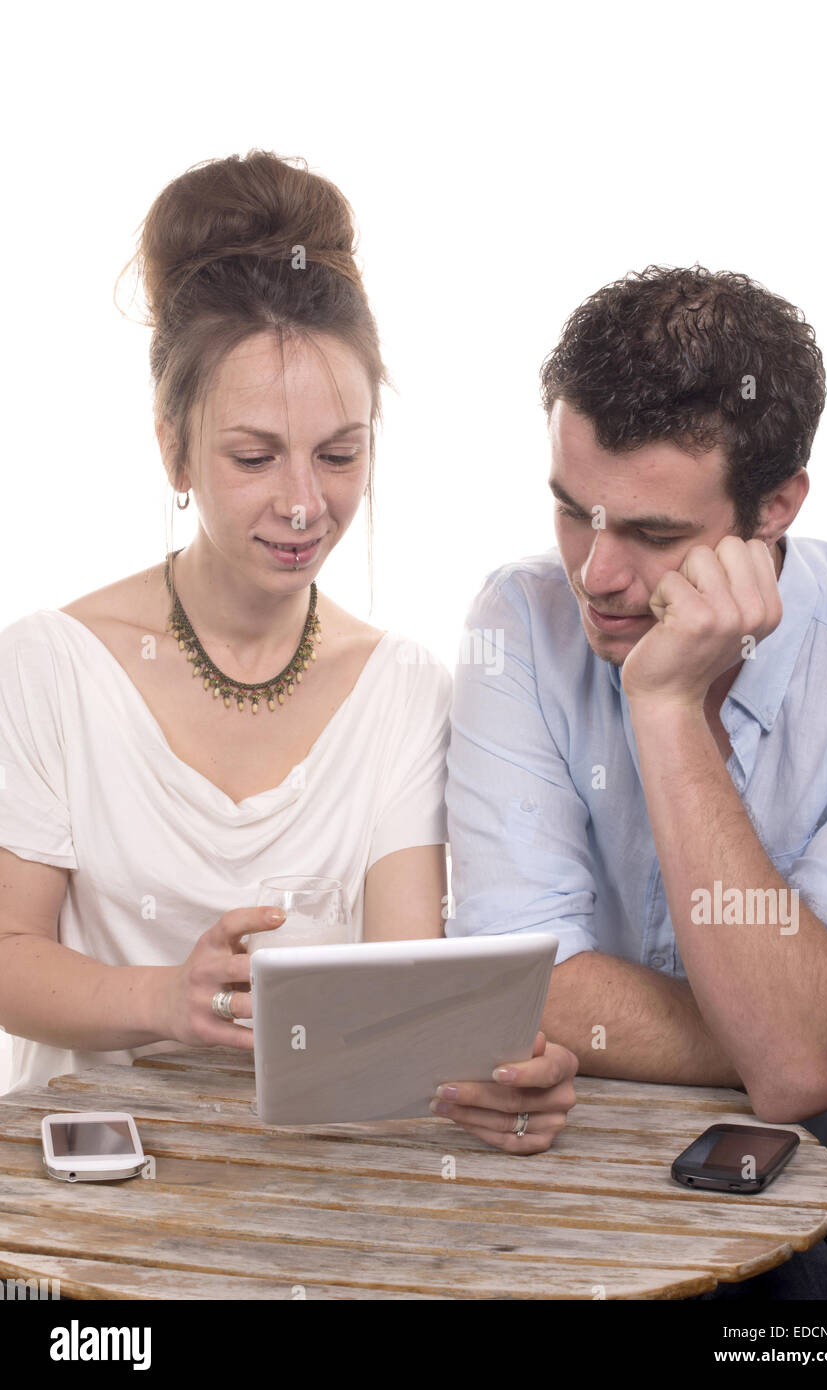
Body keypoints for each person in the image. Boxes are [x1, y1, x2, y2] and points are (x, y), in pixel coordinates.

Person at [0, 149, 576, 1153]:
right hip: (99, 1173)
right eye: (253, 456)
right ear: (174, 448)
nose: (304, 503)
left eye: (340, 454)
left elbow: (406, 978)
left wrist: (491, 1069)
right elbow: (11, 959)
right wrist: (164, 998)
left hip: (316, 1166)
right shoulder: (51, 666)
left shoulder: (399, 686)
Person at [445, 265, 827, 1291]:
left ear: (775, 506)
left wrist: (664, 710)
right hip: (571, 1173)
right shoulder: (517, 621)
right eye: (572, 511)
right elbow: (520, 982)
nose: (595, 575)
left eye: (652, 535)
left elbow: (791, 1070)